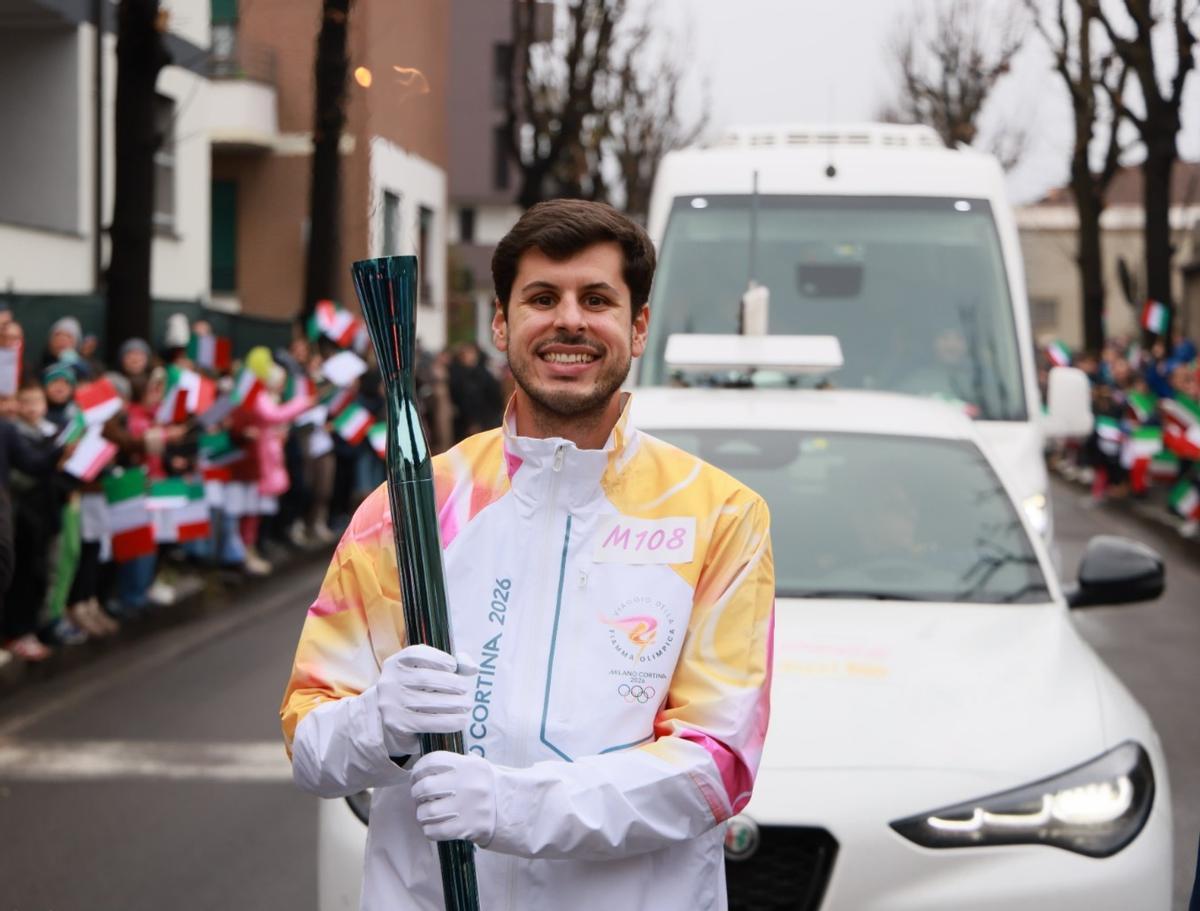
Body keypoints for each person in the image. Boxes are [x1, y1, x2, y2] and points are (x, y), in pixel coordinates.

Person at [281, 200, 776, 910]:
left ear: (637, 326)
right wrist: (377, 722)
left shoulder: (719, 516)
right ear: (501, 323)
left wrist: (513, 805)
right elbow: (307, 742)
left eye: (597, 299)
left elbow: (715, 766)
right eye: (542, 298)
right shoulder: (407, 509)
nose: (569, 319)